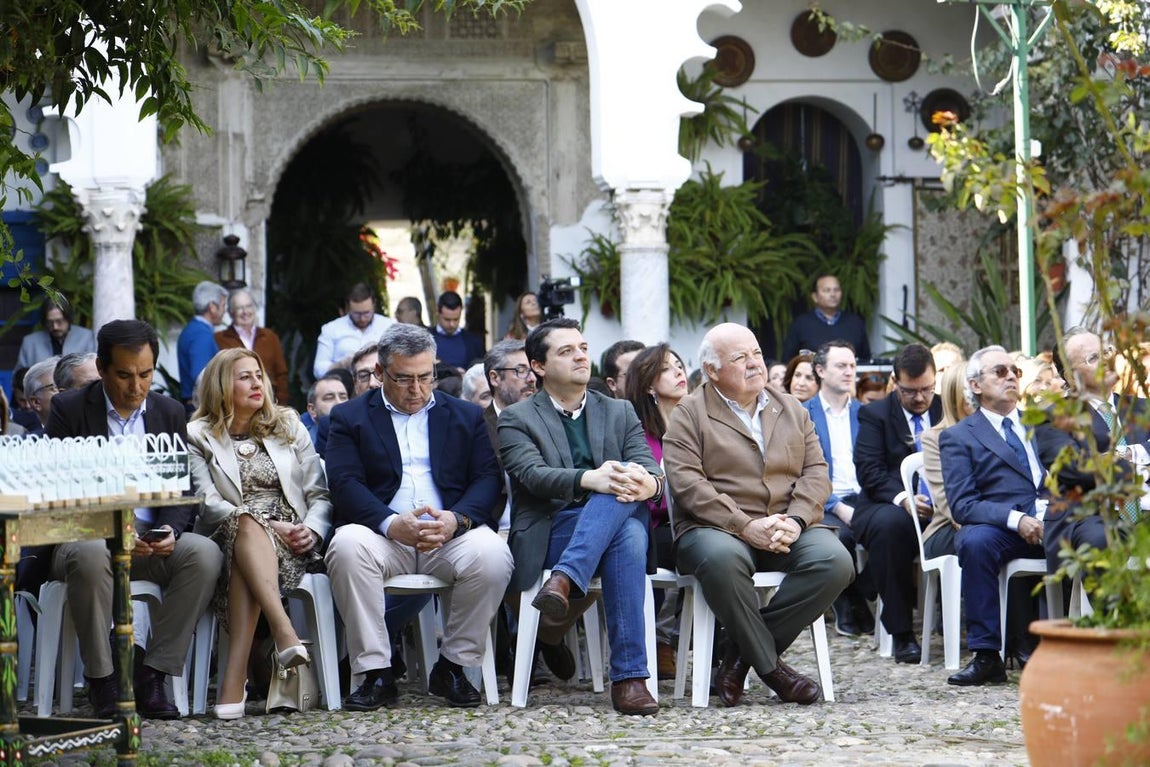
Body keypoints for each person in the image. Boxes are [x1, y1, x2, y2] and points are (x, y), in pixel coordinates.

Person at [324, 323, 512, 710]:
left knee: (494, 554)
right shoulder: (349, 417)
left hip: (449, 534)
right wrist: (392, 523)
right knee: (345, 545)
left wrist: (455, 521)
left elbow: (488, 480)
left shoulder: (464, 415)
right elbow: (344, 484)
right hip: (383, 535)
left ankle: (454, 665)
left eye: (426, 377)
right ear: (379, 373)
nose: (416, 389)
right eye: (404, 378)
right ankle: (375, 671)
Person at [664, 323, 853, 708]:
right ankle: (774, 671)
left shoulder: (791, 407)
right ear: (712, 370)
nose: (754, 364)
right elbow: (686, 483)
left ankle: (738, 655)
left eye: (756, 354)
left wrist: (796, 520)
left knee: (835, 561)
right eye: (739, 358)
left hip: (785, 523)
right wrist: (745, 526)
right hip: (715, 527)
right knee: (722, 559)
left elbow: (817, 472)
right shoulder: (689, 412)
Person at [46, 319, 223, 719]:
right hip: (85, 534)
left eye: (145, 374)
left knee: (205, 553)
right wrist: (114, 533)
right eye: (124, 375)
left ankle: (153, 674)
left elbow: (180, 492)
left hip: (149, 538)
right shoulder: (69, 409)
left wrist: (171, 530)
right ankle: (102, 679)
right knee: (91, 553)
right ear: (103, 368)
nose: (136, 387)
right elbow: (59, 495)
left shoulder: (169, 410)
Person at [498, 317, 664, 716]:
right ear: (538, 366)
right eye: (566, 350)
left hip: (606, 530)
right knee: (626, 526)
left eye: (584, 348)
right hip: (552, 529)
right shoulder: (517, 418)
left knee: (626, 527)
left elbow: (648, 467)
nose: (580, 356)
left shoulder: (620, 411)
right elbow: (533, 477)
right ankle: (629, 681)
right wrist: (595, 479)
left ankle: (565, 579)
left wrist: (651, 486)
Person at [188, 349, 331, 719]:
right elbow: (207, 503)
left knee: (246, 555)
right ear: (222, 385)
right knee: (246, 527)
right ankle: (284, 632)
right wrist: (262, 522)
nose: (256, 383)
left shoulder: (287, 423)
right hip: (227, 531)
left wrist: (311, 530)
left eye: (258, 374)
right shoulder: (198, 435)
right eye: (244, 377)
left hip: (292, 539)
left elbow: (318, 493)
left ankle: (233, 681)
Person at [940, 345, 1048, 685]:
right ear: (975, 385)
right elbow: (963, 504)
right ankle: (987, 655)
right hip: (1006, 526)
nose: (1011, 377)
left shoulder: (1043, 424)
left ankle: (1098, 640)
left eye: (1014, 370)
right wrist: (1017, 519)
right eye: (1000, 372)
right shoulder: (959, 436)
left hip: (1056, 519)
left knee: (1097, 530)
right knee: (973, 540)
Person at [852, 343, 941, 664]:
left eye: (926, 389)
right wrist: (904, 497)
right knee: (894, 526)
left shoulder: (947, 410)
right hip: (885, 503)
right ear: (894, 382)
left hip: (942, 507)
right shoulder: (875, 414)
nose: (919, 398)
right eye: (910, 391)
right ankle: (902, 633)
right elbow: (869, 470)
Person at [1037, 328, 1149, 573]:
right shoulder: (1055, 416)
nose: (1106, 360)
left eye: (1106, 351)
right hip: (1091, 515)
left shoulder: (1141, 408)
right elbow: (1077, 469)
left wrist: (1126, 454)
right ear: (1070, 374)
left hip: (1145, 510)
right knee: (1101, 540)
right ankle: (1115, 611)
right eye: (1093, 358)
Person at [623, 343, 688, 680]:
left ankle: (721, 649)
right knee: (667, 541)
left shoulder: (701, 424)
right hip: (652, 526)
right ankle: (661, 640)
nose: (679, 372)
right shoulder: (638, 433)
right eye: (667, 368)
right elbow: (648, 500)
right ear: (649, 384)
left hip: (697, 522)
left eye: (680, 365)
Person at [803, 341, 874, 637]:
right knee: (840, 537)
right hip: (825, 503)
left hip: (867, 498)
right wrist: (837, 506)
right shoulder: (802, 414)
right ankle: (847, 602)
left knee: (892, 533)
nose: (849, 372)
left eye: (853, 366)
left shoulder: (867, 413)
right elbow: (802, 473)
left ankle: (862, 590)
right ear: (820, 370)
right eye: (841, 366)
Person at [920, 362, 970, 561]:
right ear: (955, 397)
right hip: (947, 527)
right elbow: (947, 501)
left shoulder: (998, 431)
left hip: (992, 522)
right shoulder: (934, 437)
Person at [214, 289, 291, 405]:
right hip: (236, 404)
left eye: (248, 306)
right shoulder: (219, 339)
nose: (245, 312)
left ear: (254, 309)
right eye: (239, 308)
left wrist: (281, 402)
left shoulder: (270, 337)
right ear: (230, 312)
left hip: (269, 402)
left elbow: (281, 374)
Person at [313, 283, 395, 379]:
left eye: (366, 313)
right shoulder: (331, 329)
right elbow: (318, 370)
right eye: (357, 314)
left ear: (374, 305)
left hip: (381, 384)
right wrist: (342, 364)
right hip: (344, 386)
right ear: (347, 308)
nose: (362, 319)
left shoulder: (389, 326)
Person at [782, 274, 871, 362]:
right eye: (826, 290)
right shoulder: (801, 324)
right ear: (815, 297)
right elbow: (789, 360)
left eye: (836, 290)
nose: (833, 294)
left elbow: (866, 359)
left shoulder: (855, 323)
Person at [178, 281, 228, 405]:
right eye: (223, 305)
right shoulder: (201, 334)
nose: (224, 311)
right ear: (212, 307)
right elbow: (202, 377)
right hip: (199, 406)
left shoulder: (193, 329)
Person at [16, 297, 97, 370]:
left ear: (68, 318)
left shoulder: (86, 337)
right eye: (50, 322)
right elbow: (19, 377)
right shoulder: (30, 342)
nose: (55, 327)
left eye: (59, 321)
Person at [433, 291, 485, 374]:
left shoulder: (474, 342)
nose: (452, 324)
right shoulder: (426, 339)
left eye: (456, 319)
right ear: (437, 313)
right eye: (447, 319)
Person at [304, 374, 349, 445]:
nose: (339, 402)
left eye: (343, 397)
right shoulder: (303, 441)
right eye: (329, 398)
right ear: (312, 409)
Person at [22, 356, 60, 435]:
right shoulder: (26, 444)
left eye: (69, 385)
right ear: (36, 402)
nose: (67, 392)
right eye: (56, 387)